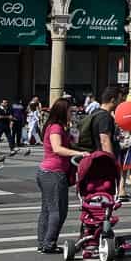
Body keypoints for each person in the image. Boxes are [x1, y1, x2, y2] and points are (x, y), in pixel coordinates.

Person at [35, 98, 89, 251]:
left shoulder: (58, 127)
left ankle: (43, 243)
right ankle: (49, 243)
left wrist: (73, 133)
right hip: (53, 173)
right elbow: (57, 148)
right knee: (58, 211)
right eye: (70, 111)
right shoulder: (56, 128)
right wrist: (80, 153)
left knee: (47, 209)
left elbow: (70, 142)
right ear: (63, 112)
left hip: (48, 173)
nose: (73, 114)